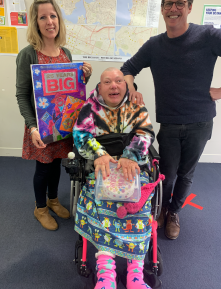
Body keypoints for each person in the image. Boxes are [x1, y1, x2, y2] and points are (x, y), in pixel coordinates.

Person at [120, 0, 221, 240]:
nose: (173, 9)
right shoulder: (155, 45)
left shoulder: (208, 36)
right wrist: (131, 89)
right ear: (162, 8)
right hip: (170, 122)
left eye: (179, 3)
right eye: (168, 4)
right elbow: (127, 68)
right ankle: (163, 207)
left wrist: (219, 91)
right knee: (166, 173)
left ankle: (174, 211)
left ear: (189, 6)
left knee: (186, 174)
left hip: (200, 121)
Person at [73, 67, 155, 289]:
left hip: (131, 166)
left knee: (137, 203)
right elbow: (80, 135)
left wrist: (131, 156)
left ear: (126, 85)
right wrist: (99, 155)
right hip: (102, 167)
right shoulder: (89, 108)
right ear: (99, 87)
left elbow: (146, 133)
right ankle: (106, 270)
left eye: (119, 81)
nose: (114, 85)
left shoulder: (136, 105)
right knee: (102, 202)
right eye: (107, 82)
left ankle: (135, 273)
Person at [16, 0, 92, 231]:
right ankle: (40, 208)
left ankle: (53, 200)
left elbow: (71, 91)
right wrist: (32, 126)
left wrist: (84, 78)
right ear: (35, 23)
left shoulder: (66, 53)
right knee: (43, 168)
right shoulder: (29, 54)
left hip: (63, 125)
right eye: (43, 17)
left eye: (53, 15)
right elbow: (22, 95)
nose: (49, 21)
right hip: (41, 127)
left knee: (59, 163)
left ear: (58, 19)